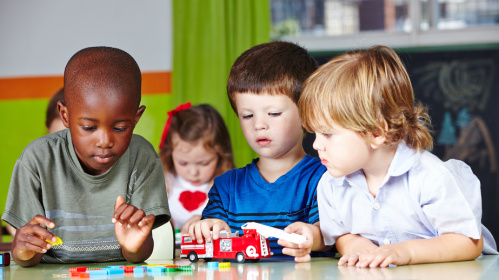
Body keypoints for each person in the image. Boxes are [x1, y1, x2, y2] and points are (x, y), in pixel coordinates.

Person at [297, 45, 498, 268]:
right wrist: (356, 247)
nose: (316, 145)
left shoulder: (429, 177)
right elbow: (341, 234)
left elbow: (467, 242)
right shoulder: (332, 185)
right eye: (314, 133)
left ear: (375, 132)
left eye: (327, 134)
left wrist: (406, 252)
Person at [2, 46, 171, 267]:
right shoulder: (37, 160)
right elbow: (29, 254)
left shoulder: (143, 158)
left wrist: (133, 246)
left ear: (136, 117)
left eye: (120, 128)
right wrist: (21, 249)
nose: (104, 141)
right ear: (65, 115)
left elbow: (139, 254)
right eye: (89, 127)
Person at [188, 41, 329, 260]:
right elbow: (211, 239)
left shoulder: (322, 179)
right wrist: (209, 228)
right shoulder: (226, 187)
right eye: (247, 115)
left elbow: (332, 235)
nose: (259, 125)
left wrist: (314, 235)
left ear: (307, 113)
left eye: (273, 113)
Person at [158, 102, 235, 234]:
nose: (193, 173)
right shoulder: (163, 182)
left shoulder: (227, 187)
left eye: (204, 163)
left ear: (221, 155)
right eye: (183, 163)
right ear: (170, 154)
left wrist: (208, 222)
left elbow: (236, 226)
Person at [5, 88, 67, 238]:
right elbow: (14, 223)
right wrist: (25, 234)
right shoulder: (36, 165)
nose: (67, 150)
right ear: (47, 128)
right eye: (57, 139)